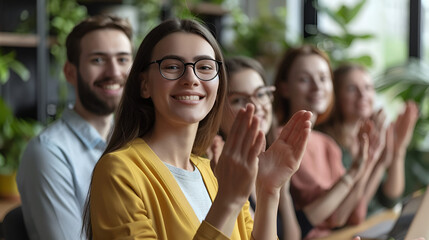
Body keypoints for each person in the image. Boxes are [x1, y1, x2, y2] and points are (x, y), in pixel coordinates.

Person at [84, 18, 312, 240]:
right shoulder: (120, 171)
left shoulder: (216, 171)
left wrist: (269, 190)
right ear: (144, 84)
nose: (191, 78)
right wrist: (228, 200)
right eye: (172, 66)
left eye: (204, 67)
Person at [16, 15, 133, 240]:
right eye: (98, 60)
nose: (114, 72)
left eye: (122, 59)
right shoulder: (48, 153)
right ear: (70, 72)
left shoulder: (131, 141)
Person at [273, 44, 386, 239]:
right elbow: (324, 218)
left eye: (323, 78)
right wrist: (356, 172)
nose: (317, 87)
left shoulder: (327, 144)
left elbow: (349, 216)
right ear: (284, 88)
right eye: (304, 79)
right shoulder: (279, 139)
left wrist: (367, 163)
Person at [206, 56, 300, 240]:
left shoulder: (272, 156)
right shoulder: (218, 166)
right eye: (238, 100)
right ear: (216, 109)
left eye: (261, 94)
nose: (256, 106)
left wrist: (283, 191)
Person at [319, 63, 419, 216]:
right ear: (336, 95)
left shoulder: (371, 134)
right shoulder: (327, 143)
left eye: (368, 88)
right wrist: (378, 162)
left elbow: (390, 198)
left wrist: (399, 150)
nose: (362, 95)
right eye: (352, 89)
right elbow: (352, 212)